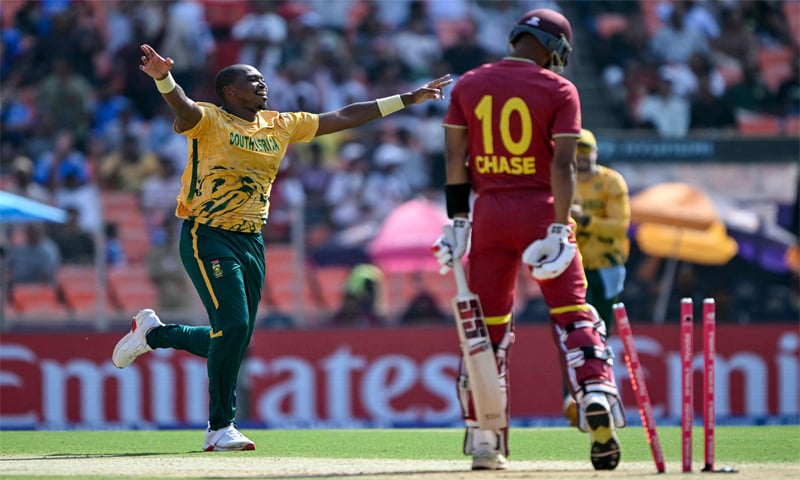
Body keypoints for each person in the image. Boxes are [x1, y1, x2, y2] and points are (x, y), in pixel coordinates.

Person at [111, 43, 451, 452]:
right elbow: (182, 108)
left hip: (251, 239)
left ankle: (155, 334)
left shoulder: (280, 124)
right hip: (208, 233)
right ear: (230, 92)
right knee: (234, 329)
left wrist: (406, 99)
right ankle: (220, 427)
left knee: (234, 336)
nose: (262, 85)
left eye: (262, 79)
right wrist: (164, 79)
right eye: (252, 81)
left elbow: (342, 116)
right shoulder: (210, 119)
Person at [431, 9, 625, 471]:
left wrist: (458, 219)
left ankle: (483, 437)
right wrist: (560, 226)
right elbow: (563, 166)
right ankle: (595, 391)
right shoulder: (560, 89)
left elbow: (454, 157)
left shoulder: (470, 83)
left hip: (490, 213)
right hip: (540, 209)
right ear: (554, 47)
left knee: (487, 329)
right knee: (573, 312)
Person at [562, 128, 631, 426]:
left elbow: (619, 226)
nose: (582, 156)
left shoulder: (611, 181)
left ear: (595, 152)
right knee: (575, 332)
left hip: (605, 265)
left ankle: (602, 393)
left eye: (586, 150)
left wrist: (585, 219)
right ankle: (577, 396)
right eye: (577, 151)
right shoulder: (564, 179)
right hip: (573, 264)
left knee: (600, 334)